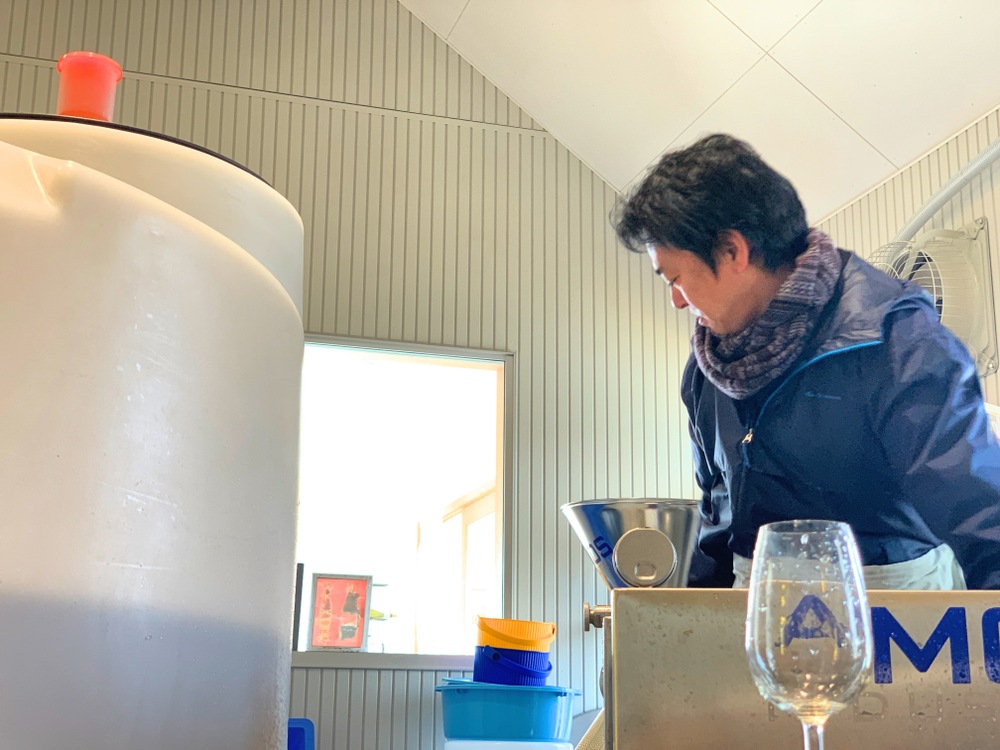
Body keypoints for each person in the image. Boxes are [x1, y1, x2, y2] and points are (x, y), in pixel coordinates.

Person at [612, 133, 1000, 590]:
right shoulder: (706, 371)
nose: (676, 301)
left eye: (675, 279)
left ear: (732, 250)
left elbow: (981, 518)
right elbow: (719, 513)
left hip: (891, 606)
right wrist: (697, 618)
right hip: (755, 605)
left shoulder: (895, 340)